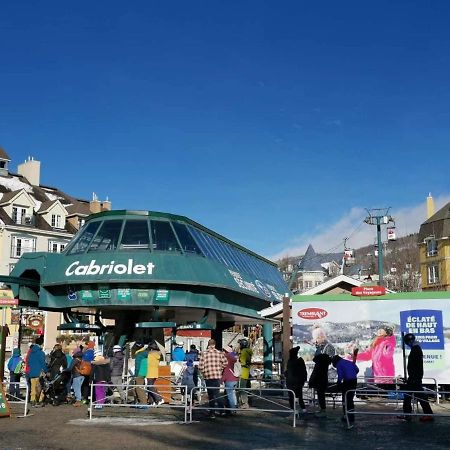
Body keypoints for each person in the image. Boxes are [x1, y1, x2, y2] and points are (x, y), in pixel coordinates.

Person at [400, 333, 434, 422]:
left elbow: (415, 365)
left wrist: (414, 377)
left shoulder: (415, 349)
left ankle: (427, 414)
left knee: (418, 396)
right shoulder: (415, 348)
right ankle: (408, 414)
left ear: (409, 341)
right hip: (414, 377)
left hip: (414, 378)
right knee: (410, 396)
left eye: (407, 342)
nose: (407, 344)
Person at [198, 339, 228, 419]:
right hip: (217, 376)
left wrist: (204, 371)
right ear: (214, 345)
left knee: (211, 395)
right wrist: (220, 369)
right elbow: (225, 363)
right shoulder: (219, 353)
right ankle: (222, 411)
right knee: (217, 394)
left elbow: (200, 366)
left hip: (208, 376)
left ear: (208, 345)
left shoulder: (203, 353)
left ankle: (212, 413)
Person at [331, 355, 359, 427]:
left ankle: (345, 415)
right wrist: (352, 374)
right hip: (354, 381)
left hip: (347, 382)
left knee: (345, 398)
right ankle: (351, 416)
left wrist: (338, 383)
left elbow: (340, 375)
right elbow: (357, 369)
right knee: (350, 399)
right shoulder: (348, 362)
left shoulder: (339, 364)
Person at [25, 336, 48, 407]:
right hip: (39, 373)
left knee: (33, 387)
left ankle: (32, 400)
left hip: (31, 372)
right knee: (40, 387)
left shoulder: (31, 352)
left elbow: (27, 362)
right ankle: (40, 400)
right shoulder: (41, 353)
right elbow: (43, 363)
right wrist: (46, 370)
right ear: (41, 344)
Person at [285, 346, 307, 415]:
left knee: (292, 397)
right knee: (299, 397)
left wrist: (286, 374)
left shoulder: (291, 361)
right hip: (298, 382)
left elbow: (290, 371)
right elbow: (304, 371)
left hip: (292, 382)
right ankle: (303, 410)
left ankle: (294, 411)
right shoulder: (299, 360)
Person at [308, 353, 331, 417]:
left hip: (319, 383)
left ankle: (322, 410)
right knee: (321, 396)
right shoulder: (325, 365)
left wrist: (311, 382)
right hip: (323, 382)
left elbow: (315, 374)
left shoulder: (319, 365)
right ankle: (322, 409)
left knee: (320, 396)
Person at [221, 345, 239, 414]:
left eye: (223, 350)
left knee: (229, 395)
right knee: (233, 394)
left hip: (229, 379)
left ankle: (232, 410)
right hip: (235, 377)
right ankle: (234, 407)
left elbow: (226, 372)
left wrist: (221, 380)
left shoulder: (227, 358)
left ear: (226, 351)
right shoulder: (233, 358)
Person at [146, 341, 164, 406]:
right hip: (155, 372)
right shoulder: (158, 354)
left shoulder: (149, 355)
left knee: (150, 387)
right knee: (150, 387)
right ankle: (152, 401)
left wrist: (144, 348)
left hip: (149, 372)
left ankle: (159, 398)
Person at [237, 338, 253, 408]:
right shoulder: (248, 351)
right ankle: (249, 400)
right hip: (247, 372)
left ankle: (244, 403)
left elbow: (242, 362)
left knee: (242, 389)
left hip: (242, 372)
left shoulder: (243, 352)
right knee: (247, 387)